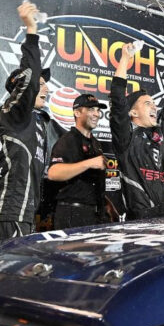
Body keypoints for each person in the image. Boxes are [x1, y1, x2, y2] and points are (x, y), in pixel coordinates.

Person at [0, 1, 51, 243]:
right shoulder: (13, 113)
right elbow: (30, 79)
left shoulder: (38, 122)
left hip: (25, 213)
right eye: (41, 85)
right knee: (10, 280)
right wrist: (31, 31)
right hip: (7, 211)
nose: (46, 89)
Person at [110, 41, 164, 219]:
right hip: (140, 220)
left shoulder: (159, 134)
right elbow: (117, 98)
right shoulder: (126, 137)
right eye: (147, 103)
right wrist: (124, 59)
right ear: (133, 112)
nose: (154, 107)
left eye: (154, 103)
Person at [47, 94, 107, 229]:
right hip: (72, 213)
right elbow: (53, 173)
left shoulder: (96, 143)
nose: (96, 114)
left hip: (94, 214)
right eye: (91, 110)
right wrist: (89, 163)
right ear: (77, 112)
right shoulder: (68, 140)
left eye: (98, 110)